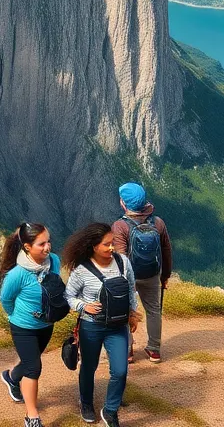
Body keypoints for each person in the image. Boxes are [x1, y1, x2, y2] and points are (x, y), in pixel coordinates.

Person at [64, 223, 139, 427]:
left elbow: (131, 289)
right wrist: (83, 306)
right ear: (93, 246)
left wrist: (133, 314)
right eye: (106, 244)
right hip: (91, 326)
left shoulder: (123, 262)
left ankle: (110, 410)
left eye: (112, 242)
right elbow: (69, 295)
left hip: (118, 326)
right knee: (89, 366)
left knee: (120, 370)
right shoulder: (81, 270)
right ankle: (86, 403)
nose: (111, 247)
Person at [0, 222, 62, 427]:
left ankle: (10, 377)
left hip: (46, 324)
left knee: (28, 363)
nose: (47, 247)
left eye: (48, 241)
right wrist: (16, 316)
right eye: (41, 244)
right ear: (27, 246)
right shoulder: (17, 274)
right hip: (23, 327)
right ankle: (32, 416)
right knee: (34, 367)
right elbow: (6, 299)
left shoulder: (54, 261)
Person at [110, 182, 172, 364]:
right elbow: (166, 250)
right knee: (153, 310)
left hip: (129, 277)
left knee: (125, 310)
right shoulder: (158, 222)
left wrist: (119, 280)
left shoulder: (120, 226)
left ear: (124, 203)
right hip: (152, 274)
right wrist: (165, 275)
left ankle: (127, 351)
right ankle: (154, 350)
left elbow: (120, 257)